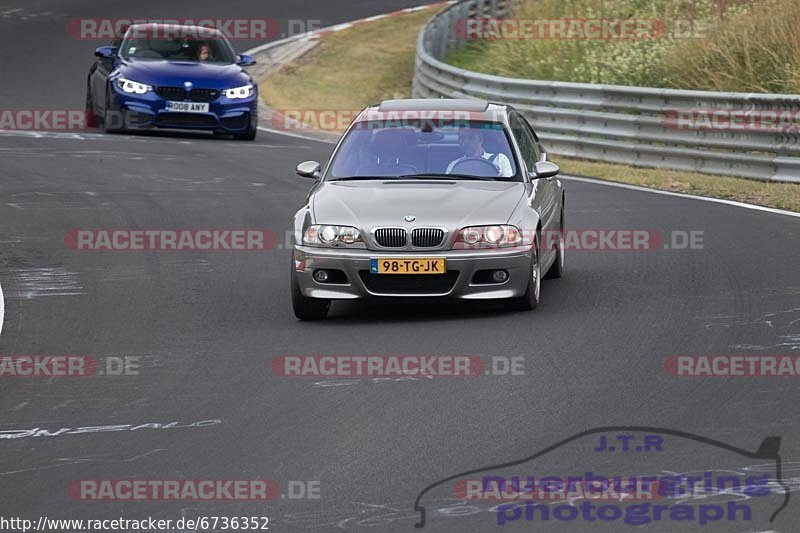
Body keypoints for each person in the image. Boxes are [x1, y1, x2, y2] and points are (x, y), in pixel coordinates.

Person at [446, 128, 513, 177]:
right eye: (462, 138)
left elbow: (510, 185)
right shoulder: (454, 165)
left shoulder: (500, 159)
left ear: (480, 139)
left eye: (471, 138)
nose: (466, 142)